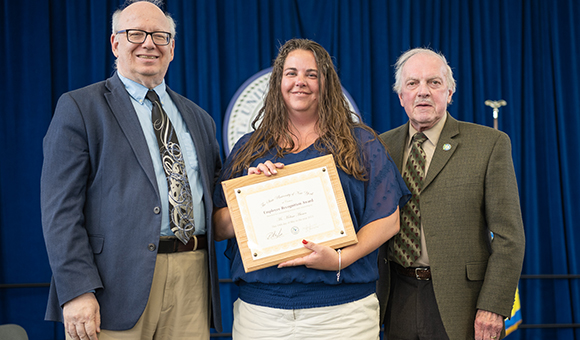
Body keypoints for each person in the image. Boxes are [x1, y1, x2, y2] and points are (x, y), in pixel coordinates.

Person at [41, 1, 222, 339]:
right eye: (136, 34)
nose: (149, 43)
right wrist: (77, 289)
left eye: (160, 35)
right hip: (111, 287)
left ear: (172, 47)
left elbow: (217, 199)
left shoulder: (199, 119)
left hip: (191, 279)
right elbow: (60, 211)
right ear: (115, 43)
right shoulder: (80, 108)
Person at [212, 38, 411, 339]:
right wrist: (252, 194)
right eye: (291, 73)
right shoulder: (249, 150)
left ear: (326, 83)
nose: (300, 82)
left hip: (344, 314)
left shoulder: (361, 143)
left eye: (312, 74)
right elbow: (217, 227)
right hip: (261, 315)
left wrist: (341, 258)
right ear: (278, 82)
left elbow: (388, 220)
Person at [377, 47, 526, 340]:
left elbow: (509, 238)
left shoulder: (489, 144)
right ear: (400, 96)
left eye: (434, 82)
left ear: (449, 92)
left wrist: (493, 306)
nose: (423, 92)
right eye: (412, 83)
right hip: (396, 296)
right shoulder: (381, 147)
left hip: (464, 305)